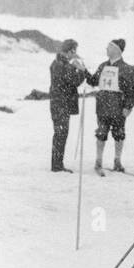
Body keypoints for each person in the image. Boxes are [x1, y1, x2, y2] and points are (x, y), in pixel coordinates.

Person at [85, 39, 134, 174]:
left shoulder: (127, 68)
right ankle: (98, 161)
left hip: (118, 106)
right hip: (102, 107)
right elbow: (93, 81)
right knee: (101, 133)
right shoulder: (102, 66)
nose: (106, 49)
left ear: (117, 50)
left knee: (119, 134)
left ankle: (117, 160)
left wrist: (128, 107)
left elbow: (131, 90)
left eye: (109, 47)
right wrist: (84, 71)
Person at [49, 38, 85, 172]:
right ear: (71, 51)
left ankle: (56, 164)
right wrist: (80, 69)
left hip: (57, 103)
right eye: (75, 51)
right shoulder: (63, 65)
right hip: (61, 105)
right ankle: (57, 166)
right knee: (61, 134)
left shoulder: (57, 63)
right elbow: (75, 81)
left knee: (59, 134)